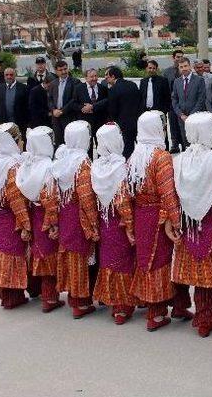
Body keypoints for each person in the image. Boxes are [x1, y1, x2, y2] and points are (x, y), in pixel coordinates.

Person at [172, 112, 212, 338]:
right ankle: (206, 317)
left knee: (202, 273)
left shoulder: (179, 160)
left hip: (189, 225)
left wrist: (171, 221)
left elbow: (172, 196)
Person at [128, 111, 190, 331]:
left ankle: (174, 305)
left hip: (140, 215)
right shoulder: (160, 157)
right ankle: (156, 314)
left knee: (146, 260)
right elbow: (168, 193)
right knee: (161, 261)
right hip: (156, 217)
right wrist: (175, 220)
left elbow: (127, 191)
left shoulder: (135, 156)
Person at [51, 120, 99, 319]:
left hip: (65, 214)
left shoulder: (61, 159)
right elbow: (87, 197)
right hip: (79, 216)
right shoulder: (83, 163)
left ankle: (73, 296)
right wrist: (94, 223)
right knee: (80, 257)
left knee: (70, 256)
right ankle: (80, 302)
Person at [91, 123, 137, 325]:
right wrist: (129, 226)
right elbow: (123, 201)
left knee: (108, 261)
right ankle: (122, 307)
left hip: (104, 220)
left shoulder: (96, 167)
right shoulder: (121, 167)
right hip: (118, 224)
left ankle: (109, 298)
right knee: (123, 263)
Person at [15, 125, 63, 313]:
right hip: (44, 217)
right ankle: (50, 298)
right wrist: (53, 223)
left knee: (36, 253)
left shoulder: (26, 166)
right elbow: (50, 200)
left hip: (33, 216)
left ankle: (36, 290)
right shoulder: (47, 168)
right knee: (48, 257)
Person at [0, 123, 32, 309]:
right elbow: (17, 201)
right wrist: (26, 225)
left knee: (1, 254)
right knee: (12, 256)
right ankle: (12, 297)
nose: (21, 142)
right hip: (11, 220)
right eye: (19, 139)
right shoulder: (13, 166)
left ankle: (6, 294)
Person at [171, 57, 206, 149]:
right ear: (179, 68)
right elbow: (174, 99)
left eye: (186, 66)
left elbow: (201, 100)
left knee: (197, 143)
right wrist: (180, 114)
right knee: (186, 143)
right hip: (182, 119)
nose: (184, 68)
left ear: (190, 66)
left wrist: (191, 115)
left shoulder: (199, 80)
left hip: (196, 117)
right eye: (181, 67)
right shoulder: (176, 82)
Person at [106, 66, 140, 159]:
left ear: (113, 76)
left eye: (107, 77)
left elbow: (113, 109)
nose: (106, 79)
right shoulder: (132, 84)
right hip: (136, 121)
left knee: (127, 148)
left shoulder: (113, 89)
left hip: (123, 124)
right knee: (140, 146)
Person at [75, 68, 109, 158]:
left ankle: (101, 166)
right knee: (87, 147)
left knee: (101, 147)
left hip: (99, 122)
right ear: (86, 78)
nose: (94, 78)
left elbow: (106, 101)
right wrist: (82, 108)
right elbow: (74, 103)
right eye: (91, 77)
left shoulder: (102, 88)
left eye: (95, 76)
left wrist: (93, 106)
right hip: (85, 123)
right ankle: (88, 167)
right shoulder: (79, 88)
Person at [0, 67, 29, 142]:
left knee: (20, 144)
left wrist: (28, 123)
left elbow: (28, 106)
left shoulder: (23, 88)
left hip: (19, 123)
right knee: (7, 144)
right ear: (4, 76)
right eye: (7, 75)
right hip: (4, 123)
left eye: (11, 75)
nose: (9, 77)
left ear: (15, 75)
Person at [49, 60, 79, 147]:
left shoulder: (75, 82)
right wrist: (54, 110)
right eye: (61, 70)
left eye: (65, 69)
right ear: (56, 71)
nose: (63, 72)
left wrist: (62, 111)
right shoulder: (53, 83)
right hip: (56, 118)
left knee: (70, 143)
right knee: (58, 143)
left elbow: (74, 99)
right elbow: (50, 99)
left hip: (69, 117)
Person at [162, 49, 186, 154]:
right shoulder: (167, 72)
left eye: (181, 57)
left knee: (184, 125)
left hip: (184, 103)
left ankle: (185, 145)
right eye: (178, 57)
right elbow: (164, 88)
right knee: (173, 125)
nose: (179, 59)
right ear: (173, 58)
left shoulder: (185, 70)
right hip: (172, 104)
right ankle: (175, 145)